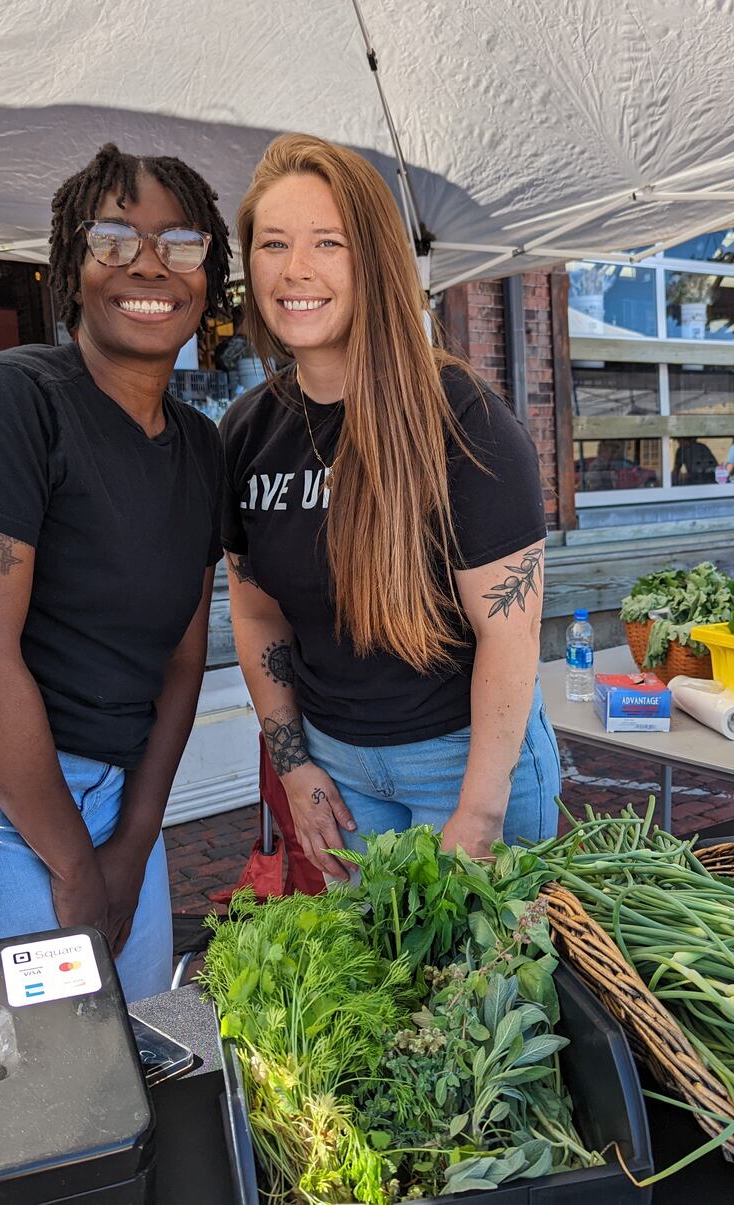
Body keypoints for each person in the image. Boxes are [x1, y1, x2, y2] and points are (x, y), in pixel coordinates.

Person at [0, 146, 230, 1000]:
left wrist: (132, 842)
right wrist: (74, 865)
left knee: (134, 1075)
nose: (147, 263)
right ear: (72, 268)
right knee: (20, 1107)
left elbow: (179, 660)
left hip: (111, 797)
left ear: (210, 276)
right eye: (113, 239)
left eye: (180, 243)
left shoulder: (202, 449)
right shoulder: (9, 401)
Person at [221, 133, 560, 881]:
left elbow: (513, 632)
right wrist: (295, 765)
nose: (295, 269)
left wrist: (478, 811)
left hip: (464, 761)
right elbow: (257, 614)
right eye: (272, 243)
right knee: (376, 990)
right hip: (337, 772)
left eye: (326, 243)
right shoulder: (247, 432)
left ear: (372, 259)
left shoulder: (462, 417)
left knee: (479, 993)